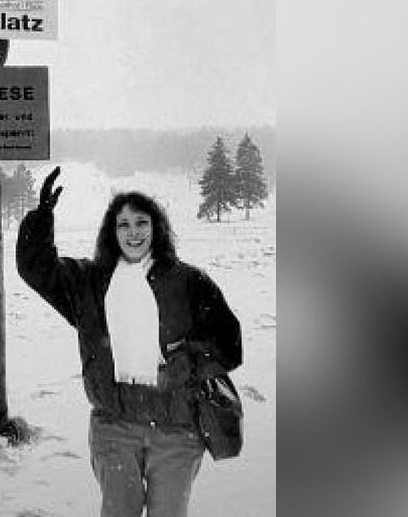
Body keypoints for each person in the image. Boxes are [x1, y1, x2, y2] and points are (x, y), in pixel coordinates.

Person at [16, 166, 242, 517]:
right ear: (112, 232)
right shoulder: (90, 283)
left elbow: (229, 341)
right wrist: (41, 219)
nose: (133, 232)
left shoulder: (189, 282)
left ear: (156, 229)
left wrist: (191, 359)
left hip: (176, 432)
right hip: (114, 429)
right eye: (124, 224)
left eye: (141, 223)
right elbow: (36, 268)